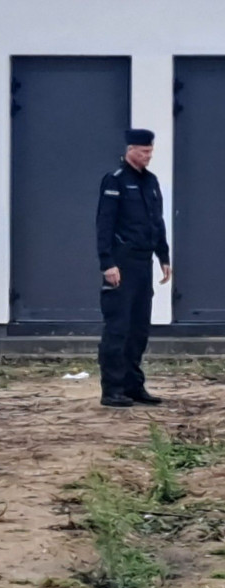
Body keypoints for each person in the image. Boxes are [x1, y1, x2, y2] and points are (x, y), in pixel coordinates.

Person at [96, 129, 172, 408]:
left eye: (150, 152)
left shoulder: (150, 182)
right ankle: (112, 389)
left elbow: (157, 222)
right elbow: (104, 225)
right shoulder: (115, 181)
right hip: (121, 263)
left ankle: (133, 386)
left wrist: (163, 257)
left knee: (139, 328)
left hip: (143, 263)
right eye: (143, 152)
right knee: (118, 327)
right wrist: (108, 263)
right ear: (130, 150)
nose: (147, 157)